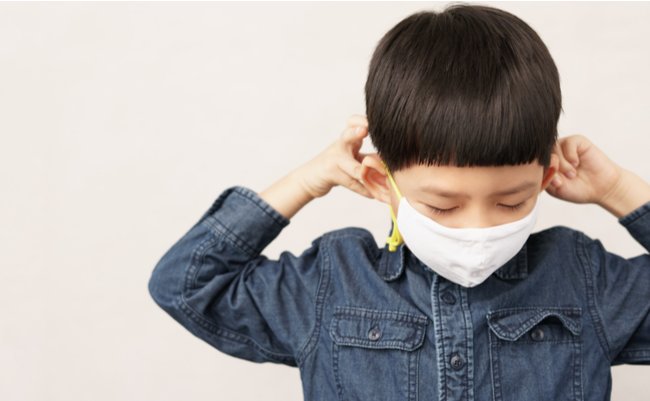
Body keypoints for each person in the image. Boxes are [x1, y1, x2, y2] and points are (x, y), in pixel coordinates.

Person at [147, 4, 650, 400]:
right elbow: (185, 285)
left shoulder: (582, 279)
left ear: (545, 179)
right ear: (379, 182)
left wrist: (618, 190)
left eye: (511, 202)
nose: (477, 230)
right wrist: (306, 180)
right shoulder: (332, 283)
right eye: (442, 207)